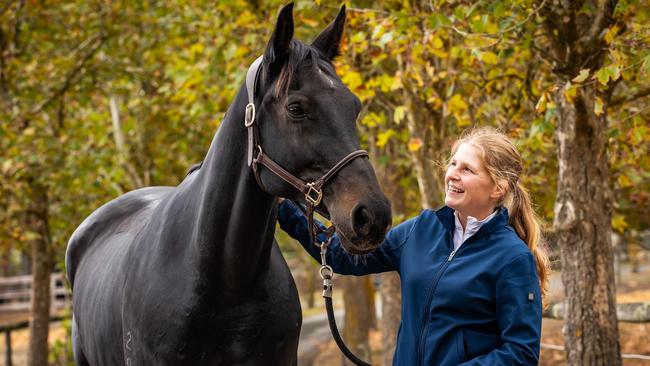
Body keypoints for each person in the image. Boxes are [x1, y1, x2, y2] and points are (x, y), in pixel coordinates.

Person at [278, 127, 550, 365]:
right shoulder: (421, 229)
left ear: (497, 189)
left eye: (467, 169)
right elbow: (344, 255)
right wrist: (285, 207)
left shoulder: (512, 258)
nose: (453, 174)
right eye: (453, 164)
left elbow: (521, 353)